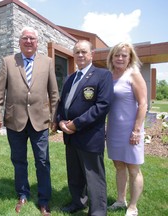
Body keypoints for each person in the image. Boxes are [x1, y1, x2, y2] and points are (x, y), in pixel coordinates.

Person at [0, 26, 59, 216]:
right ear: (20, 41)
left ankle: (44, 199)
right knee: (19, 160)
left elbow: (54, 93)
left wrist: (54, 117)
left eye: (32, 39)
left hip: (40, 121)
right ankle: (22, 194)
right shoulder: (8, 61)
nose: (28, 41)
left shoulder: (47, 62)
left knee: (43, 161)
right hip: (15, 121)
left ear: (37, 42)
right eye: (25, 38)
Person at [56, 40, 114, 216]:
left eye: (84, 52)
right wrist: (60, 121)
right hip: (70, 136)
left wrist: (76, 124)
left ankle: (97, 211)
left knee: (93, 176)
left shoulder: (103, 76)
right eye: (77, 52)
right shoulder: (70, 78)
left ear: (92, 54)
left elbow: (102, 106)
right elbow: (62, 104)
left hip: (89, 136)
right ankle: (78, 202)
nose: (80, 55)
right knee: (75, 174)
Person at [106, 42, 147, 216]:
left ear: (130, 58)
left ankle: (133, 206)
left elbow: (143, 103)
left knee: (133, 168)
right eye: (117, 55)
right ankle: (120, 200)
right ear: (112, 57)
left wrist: (136, 130)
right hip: (114, 129)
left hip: (131, 130)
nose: (120, 58)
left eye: (124, 55)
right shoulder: (109, 76)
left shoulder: (134, 74)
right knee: (119, 166)